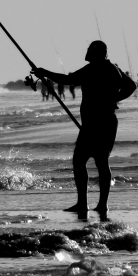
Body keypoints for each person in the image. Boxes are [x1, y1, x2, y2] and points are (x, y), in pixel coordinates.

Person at [33, 40, 122, 218]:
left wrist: (44, 72)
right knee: (101, 161)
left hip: (97, 122)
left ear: (98, 52)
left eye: (90, 49)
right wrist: (112, 101)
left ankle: (85, 203)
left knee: (80, 160)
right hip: (105, 120)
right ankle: (101, 205)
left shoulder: (95, 68)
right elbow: (129, 86)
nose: (87, 51)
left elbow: (68, 80)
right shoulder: (112, 69)